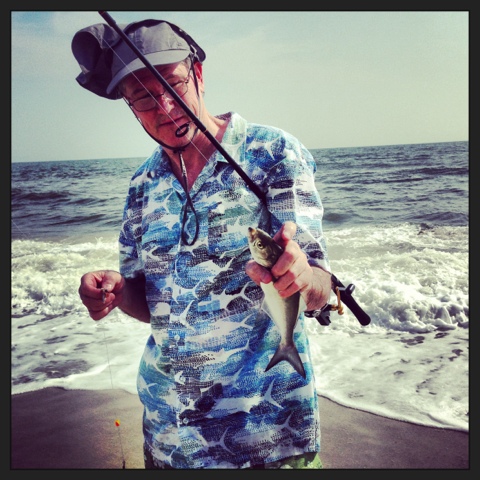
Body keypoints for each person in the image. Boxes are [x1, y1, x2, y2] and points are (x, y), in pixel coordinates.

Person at [72, 17, 332, 469]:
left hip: (265, 439)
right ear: (131, 107)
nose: (165, 107)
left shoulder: (274, 153)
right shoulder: (141, 186)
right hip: (168, 440)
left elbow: (321, 289)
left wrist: (304, 276)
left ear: (198, 74)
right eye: (143, 98)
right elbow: (150, 304)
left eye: (173, 85)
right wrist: (117, 291)